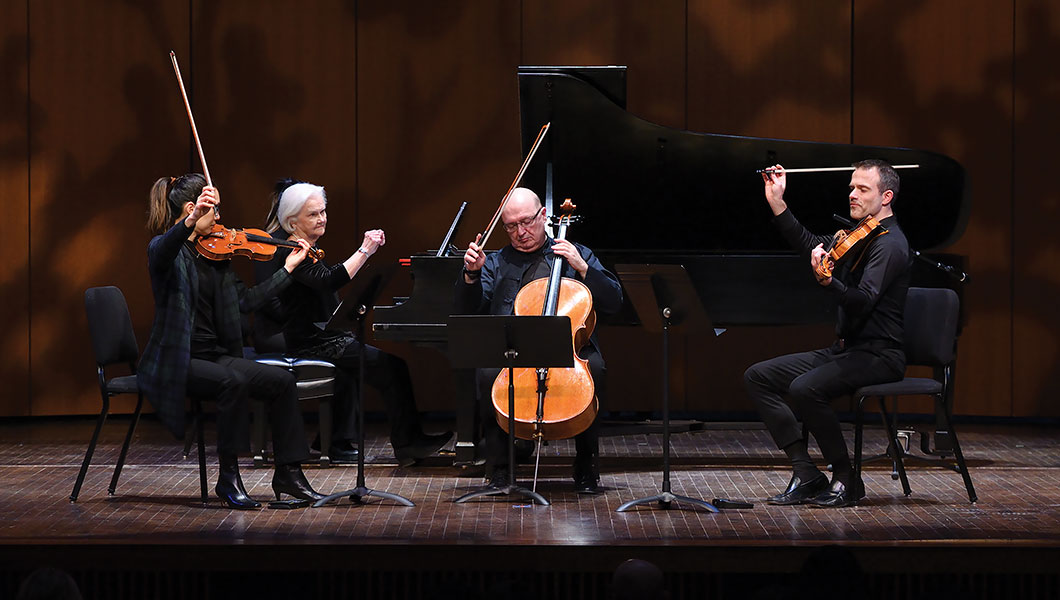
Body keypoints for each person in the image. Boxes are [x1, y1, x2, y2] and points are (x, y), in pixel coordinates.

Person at [139, 173, 325, 509]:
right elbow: (165, 248)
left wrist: (289, 270)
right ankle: (228, 479)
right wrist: (191, 221)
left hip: (214, 356)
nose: (221, 218)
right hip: (178, 359)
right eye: (214, 211)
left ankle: (289, 474)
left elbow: (248, 302)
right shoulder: (165, 251)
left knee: (282, 381)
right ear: (191, 209)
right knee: (232, 382)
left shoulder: (218, 257)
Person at [745, 159, 911, 508]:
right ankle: (807, 473)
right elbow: (810, 244)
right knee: (759, 376)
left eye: (862, 189)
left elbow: (862, 301)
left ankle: (846, 477)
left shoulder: (889, 244)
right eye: (852, 187)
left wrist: (828, 282)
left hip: (879, 355)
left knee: (806, 388)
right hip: (846, 350)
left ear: (886, 197)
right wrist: (777, 202)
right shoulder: (859, 236)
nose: (852, 194)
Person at [256, 179, 452, 466]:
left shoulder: (307, 248)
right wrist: (365, 250)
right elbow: (328, 280)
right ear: (291, 220)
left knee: (383, 367)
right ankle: (408, 443)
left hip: (322, 338)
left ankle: (357, 441)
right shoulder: (291, 251)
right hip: (312, 343)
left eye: (323, 211)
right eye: (313, 214)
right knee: (391, 366)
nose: (321, 218)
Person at [456, 187, 623, 493]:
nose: (520, 232)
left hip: (568, 352)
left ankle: (587, 465)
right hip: (514, 354)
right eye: (511, 226)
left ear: (543, 216)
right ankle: (501, 470)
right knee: (487, 374)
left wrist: (583, 267)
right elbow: (469, 311)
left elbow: (614, 302)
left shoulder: (575, 254)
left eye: (527, 222)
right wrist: (470, 276)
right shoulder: (493, 262)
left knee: (595, 370)